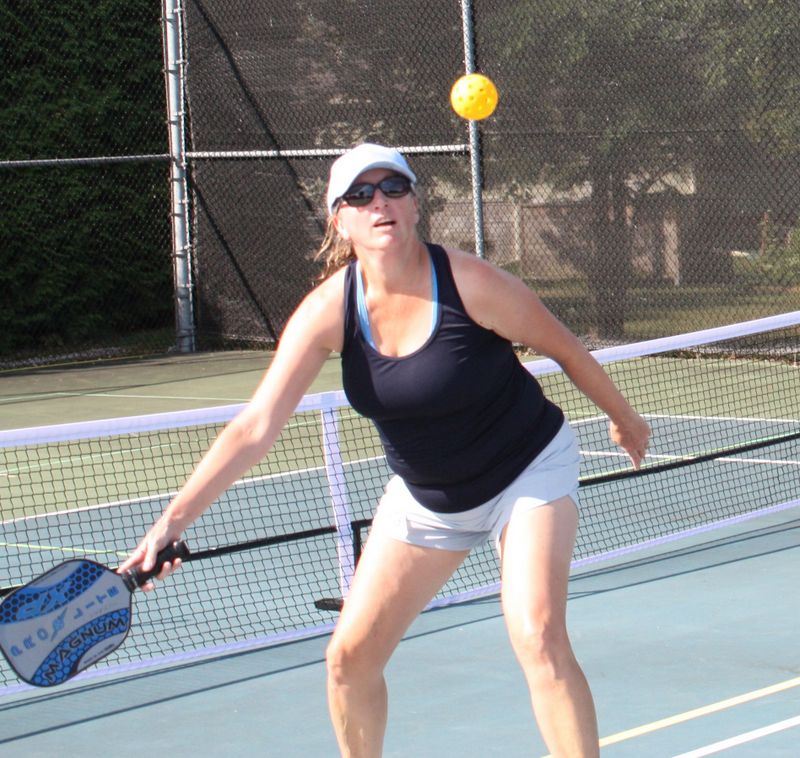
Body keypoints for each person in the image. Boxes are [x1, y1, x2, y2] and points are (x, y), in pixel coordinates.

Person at [120, 143, 650, 757]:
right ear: (339, 221)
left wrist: (625, 418)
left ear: (415, 204)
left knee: (537, 635)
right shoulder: (328, 311)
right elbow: (256, 425)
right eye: (361, 195)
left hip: (526, 471)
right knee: (348, 658)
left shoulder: (472, 283)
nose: (380, 203)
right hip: (427, 499)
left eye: (394, 188)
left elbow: (565, 347)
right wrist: (170, 523)